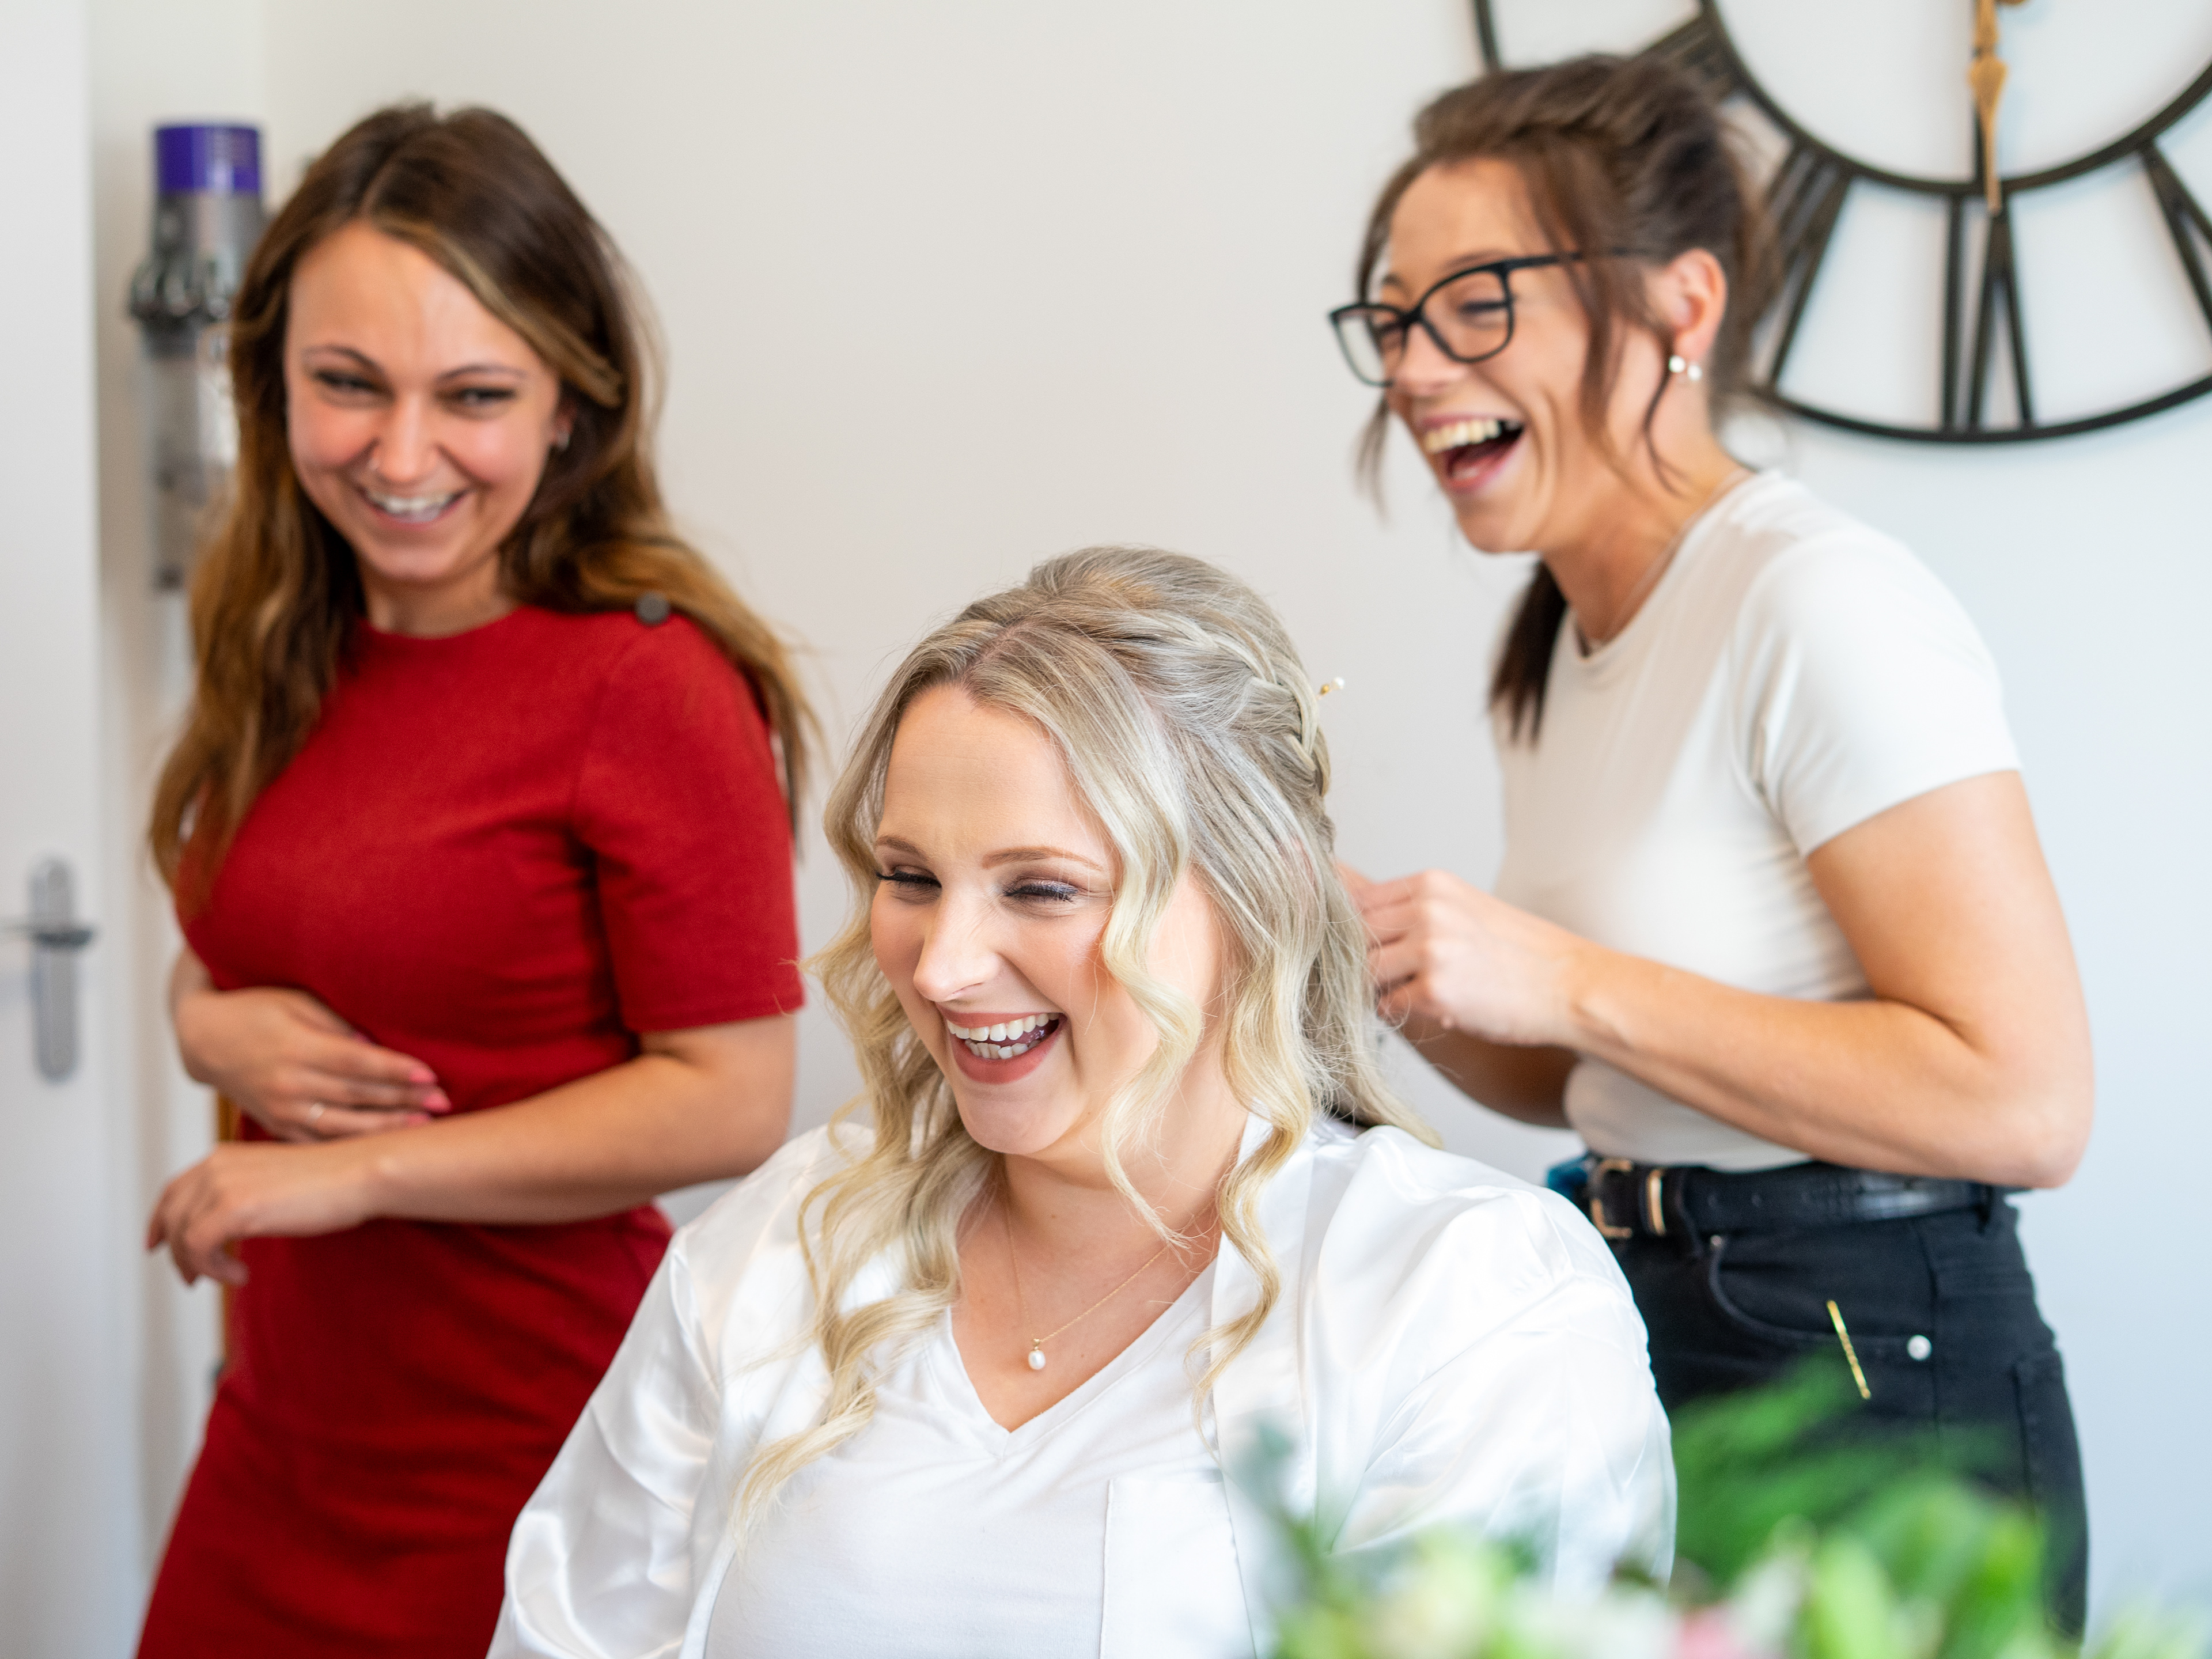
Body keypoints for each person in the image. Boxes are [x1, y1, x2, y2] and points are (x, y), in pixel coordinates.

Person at [490, 547, 1672, 1658]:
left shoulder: (1470, 1302)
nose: (943, 968)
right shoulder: (781, 1243)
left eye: (1043, 889)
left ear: (1261, 893)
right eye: (910, 877)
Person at [1327, 56, 2092, 1628]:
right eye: (1394, 320)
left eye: (1476, 304)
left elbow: (2024, 1103)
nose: (1414, 368)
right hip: (1647, 1306)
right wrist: (1371, 965)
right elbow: (1593, 1078)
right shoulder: (1559, 639)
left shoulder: (1815, 600)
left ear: (1681, 306)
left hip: (1862, 1363)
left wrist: (1568, 978)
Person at [137, 105, 812, 1659]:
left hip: (531, 1463)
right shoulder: (280, 637)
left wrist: (357, 1174)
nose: (400, 456)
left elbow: (731, 1098)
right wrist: (202, 1026)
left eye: (475, 396)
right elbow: (243, 926)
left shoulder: (649, 686)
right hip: (278, 1441)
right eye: (347, 384)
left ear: (572, 405)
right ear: (271, 382)